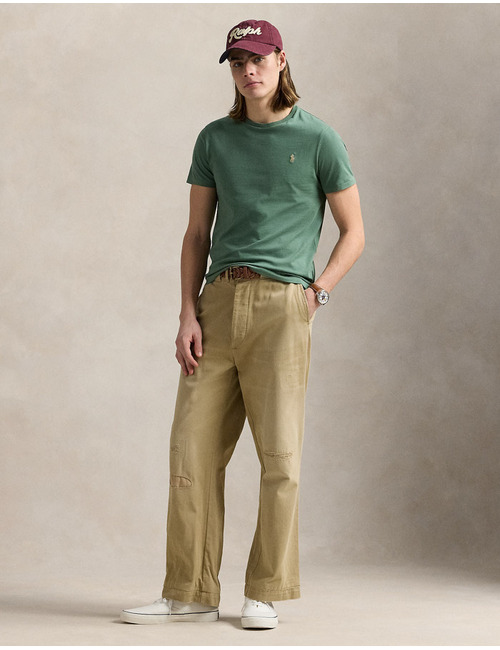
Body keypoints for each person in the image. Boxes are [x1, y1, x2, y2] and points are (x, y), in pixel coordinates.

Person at [121, 18, 364, 630]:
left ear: (281, 60)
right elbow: (196, 233)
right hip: (217, 303)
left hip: (284, 306)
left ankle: (265, 591)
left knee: (280, 456)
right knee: (191, 450)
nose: (248, 70)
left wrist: (317, 295)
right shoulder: (215, 139)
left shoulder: (318, 138)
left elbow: (354, 232)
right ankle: (190, 592)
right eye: (237, 62)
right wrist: (187, 312)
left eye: (258, 59)